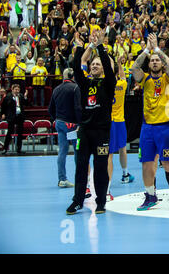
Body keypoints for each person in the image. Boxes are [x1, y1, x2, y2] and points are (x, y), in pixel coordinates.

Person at [130, 33, 169, 212]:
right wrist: (147, 50)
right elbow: (134, 67)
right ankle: (150, 196)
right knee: (147, 163)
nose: (154, 62)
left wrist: (158, 49)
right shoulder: (145, 79)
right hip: (148, 128)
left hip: (166, 126)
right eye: (152, 60)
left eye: (157, 60)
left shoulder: (168, 77)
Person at [66, 30, 117, 215]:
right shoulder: (85, 82)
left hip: (102, 132)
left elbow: (108, 67)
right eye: (92, 63)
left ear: (102, 67)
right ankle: (77, 201)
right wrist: (82, 47)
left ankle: (101, 201)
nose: (94, 66)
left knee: (101, 168)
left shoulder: (109, 83)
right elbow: (76, 67)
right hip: (84, 132)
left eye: (97, 64)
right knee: (81, 166)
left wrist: (100, 45)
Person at [107, 54, 134, 203]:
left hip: (107, 121)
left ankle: (107, 187)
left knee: (109, 154)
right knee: (122, 149)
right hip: (119, 121)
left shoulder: (104, 84)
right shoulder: (120, 84)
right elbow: (123, 77)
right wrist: (118, 64)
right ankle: (124, 174)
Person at [48, 68, 82, 188]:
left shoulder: (56, 89)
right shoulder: (75, 87)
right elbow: (78, 107)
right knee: (78, 150)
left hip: (60, 123)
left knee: (62, 151)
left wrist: (57, 118)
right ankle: (80, 178)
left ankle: (62, 179)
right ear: (73, 76)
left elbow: (50, 109)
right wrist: (80, 123)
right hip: (72, 125)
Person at [0, 84, 28, 154]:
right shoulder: (8, 97)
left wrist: (25, 96)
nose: (17, 91)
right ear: (12, 90)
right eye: (15, 89)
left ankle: (19, 149)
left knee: (20, 134)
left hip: (20, 116)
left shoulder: (21, 96)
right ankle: (5, 149)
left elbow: (26, 103)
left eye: (18, 90)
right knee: (9, 133)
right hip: (12, 117)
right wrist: (2, 114)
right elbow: (3, 106)